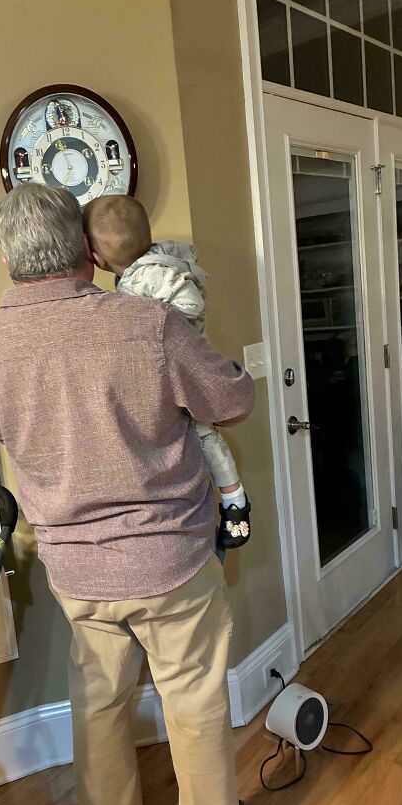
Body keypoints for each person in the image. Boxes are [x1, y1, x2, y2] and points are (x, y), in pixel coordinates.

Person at [0, 184, 255, 805]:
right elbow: (232, 399)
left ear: (8, 259)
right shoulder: (149, 324)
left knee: (98, 699)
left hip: (74, 569)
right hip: (171, 559)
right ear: (87, 251)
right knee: (193, 700)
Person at [83, 194, 251, 549]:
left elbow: (190, 302)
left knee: (204, 433)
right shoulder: (145, 270)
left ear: (96, 259)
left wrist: (160, 322)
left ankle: (235, 499)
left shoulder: (147, 277)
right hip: (168, 368)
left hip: (182, 368)